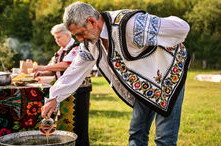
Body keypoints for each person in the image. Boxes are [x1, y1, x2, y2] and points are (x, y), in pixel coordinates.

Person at [41, 2, 190, 146]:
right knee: (136, 132)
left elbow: (182, 27)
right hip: (146, 85)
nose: (79, 39)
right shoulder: (90, 44)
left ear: (92, 21)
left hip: (168, 77)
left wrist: (158, 32)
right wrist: (54, 96)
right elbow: (75, 70)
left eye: (80, 33)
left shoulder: (132, 25)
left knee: (164, 138)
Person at [34, 24, 92, 146]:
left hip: (79, 90)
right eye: (55, 38)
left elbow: (66, 65)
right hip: (64, 91)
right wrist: (42, 72)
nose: (57, 40)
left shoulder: (77, 48)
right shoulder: (59, 52)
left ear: (67, 34)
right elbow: (53, 69)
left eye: (59, 37)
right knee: (67, 121)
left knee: (79, 123)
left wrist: (44, 67)